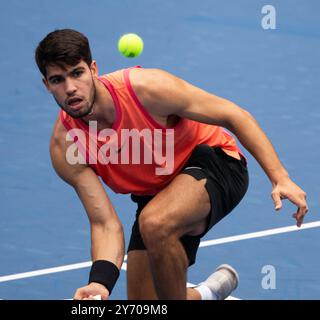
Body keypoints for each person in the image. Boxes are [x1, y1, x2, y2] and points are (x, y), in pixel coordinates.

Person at [34, 29, 308, 300]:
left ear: (93, 69)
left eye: (77, 73)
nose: (70, 88)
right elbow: (104, 223)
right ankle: (207, 293)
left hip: (214, 162)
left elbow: (234, 115)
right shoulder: (65, 144)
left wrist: (279, 176)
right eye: (58, 79)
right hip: (157, 194)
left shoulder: (146, 88)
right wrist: (100, 284)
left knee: (155, 223)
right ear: (47, 84)